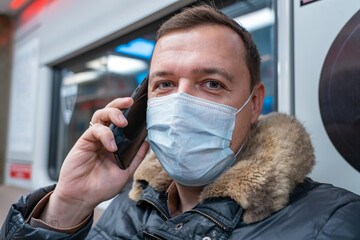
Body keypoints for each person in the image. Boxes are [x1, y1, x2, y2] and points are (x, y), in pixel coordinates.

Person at [2, 5, 360, 240]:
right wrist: (67, 205)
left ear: (253, 104)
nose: (180, 103)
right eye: (165, 85)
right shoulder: (130, 205)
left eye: (211, 84)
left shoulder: (331, 222)